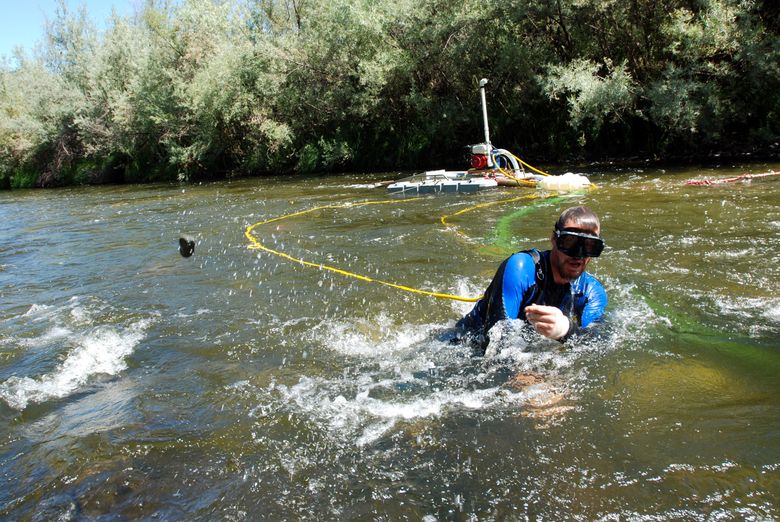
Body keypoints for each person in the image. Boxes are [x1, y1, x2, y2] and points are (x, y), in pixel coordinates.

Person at [457, 206, 607, 350]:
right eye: (570, 242)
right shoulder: (521, 267)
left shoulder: (591, 291)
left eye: (589, 246)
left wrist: (566, 330)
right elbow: (494, 340)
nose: (578, 255)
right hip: (465, 343)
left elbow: (599, 342)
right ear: (554, 239)